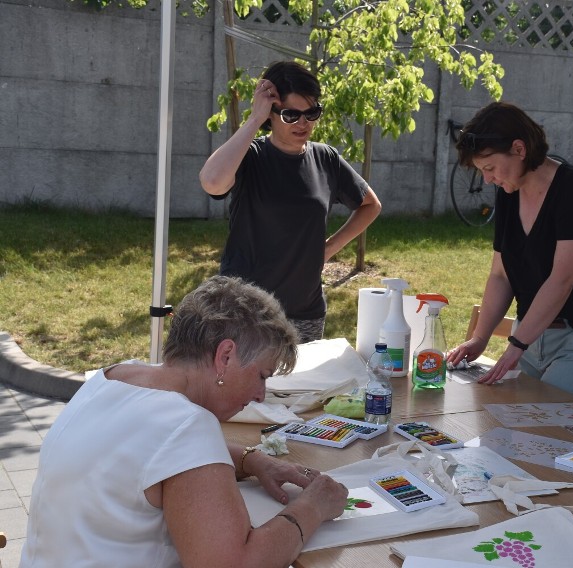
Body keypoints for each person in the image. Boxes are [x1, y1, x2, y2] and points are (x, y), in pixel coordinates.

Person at [21, 276, 349, 567]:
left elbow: (152, 458)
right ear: (225, 357)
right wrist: (313, 507)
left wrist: (253, 460)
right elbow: (236, 563)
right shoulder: (188, 426)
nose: (261, 394)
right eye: (261, 375)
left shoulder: (115, 377)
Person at [445, 102, 573, 402]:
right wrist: (480, 337)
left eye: (489, 168)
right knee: (510, 433)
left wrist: (516, 344)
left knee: (550, 433)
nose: (487, 179)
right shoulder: (509, 195)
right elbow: (501, 275)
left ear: (519, 149)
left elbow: (563, 280)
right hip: (530, 338)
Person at [199, 60, 381, 343]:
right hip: (245, 313)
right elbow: (211, 182)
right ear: (270, 113)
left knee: (304, 388)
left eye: (312, 113)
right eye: (291, 115)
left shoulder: (326, 159)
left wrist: (328, 249)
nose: (303, 123)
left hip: (305, 312)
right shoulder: (251, 155)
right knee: (246, 388)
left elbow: (370, 205)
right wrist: (253, 120)